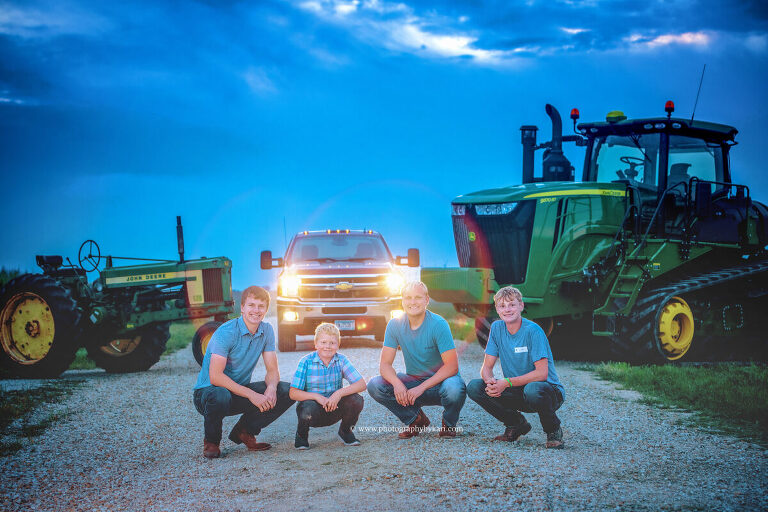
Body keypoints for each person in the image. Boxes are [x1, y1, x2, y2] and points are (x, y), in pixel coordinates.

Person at [192, 286, 294, 458]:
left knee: (286, 391)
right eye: (251, 305)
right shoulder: (226, 332)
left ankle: (245, 431)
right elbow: (215, 377)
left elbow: (272, 370)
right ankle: (211, 442)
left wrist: (271, 388)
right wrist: (252, 395)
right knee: (220, 394)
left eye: (261, 306)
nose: (256, 310)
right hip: (208, 393)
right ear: (242, 307)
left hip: (237, 392)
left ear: (266, 309)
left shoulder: (266, 330)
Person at [466, 286, 566, 449]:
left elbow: (542, 373)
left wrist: (506, 382)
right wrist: (490, 382)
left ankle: (553, 430)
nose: (507, 309)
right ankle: (516, 424)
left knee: (533, 389)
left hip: (547, 391)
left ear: (521, 306)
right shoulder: (497, 328)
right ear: (497, 310)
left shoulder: (533, 331)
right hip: (519, 390)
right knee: (475, 387)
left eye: (512, 304)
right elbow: (486, 367)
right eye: (502, 306)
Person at [367, 281, 466, 439]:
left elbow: (452, 367)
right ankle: (416, 419)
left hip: (442, 384)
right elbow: (385, 365)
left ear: (427, 300)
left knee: (454, 388)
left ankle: (448, 424)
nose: (413, 302)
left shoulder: (439, 324)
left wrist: (421, 388)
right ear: (402, 301)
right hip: (414, 382)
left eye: (418, 297)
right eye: (408, 298)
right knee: (375, 385)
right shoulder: (394, 325)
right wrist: (398, 384)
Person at [289, 323, 367, 449]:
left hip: (334, 407)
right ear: (316, 344)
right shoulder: (306, 361)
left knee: (356, 400)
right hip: (312, 411)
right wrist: (316, 397)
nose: (327, 346)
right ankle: (301, 435)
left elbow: (361, 384)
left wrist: (338, 393)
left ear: (338, 345)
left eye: (332, 343)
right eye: (323, 342)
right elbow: (293, 393)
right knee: (307, 407)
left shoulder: (341, 360)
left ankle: (345, 431)